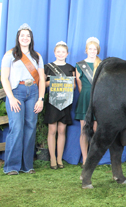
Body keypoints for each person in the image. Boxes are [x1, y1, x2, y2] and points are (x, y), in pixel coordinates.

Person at [1, 23, 46, 175]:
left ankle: (27, 166)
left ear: (31, 38)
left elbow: (41, 78)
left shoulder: (37, 56)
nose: (25, 38)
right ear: (18, 38)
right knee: (17, 128)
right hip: (16, 92)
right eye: (22, 35)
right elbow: (4, 78)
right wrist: (11, 97)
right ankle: (12, 167)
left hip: (33, 92)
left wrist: (41, 99)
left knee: (30, 128)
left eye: (28, 35)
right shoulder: (10, 55)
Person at [44, 41, 76, 169]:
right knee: (52, 130)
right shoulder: (48, 67)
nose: (61, 54)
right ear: (54, 53)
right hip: (52, 102)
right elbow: (43, 84)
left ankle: (59, 158)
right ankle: (52, 158)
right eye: (58, 52)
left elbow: (73, 86)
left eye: (63, 52)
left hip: (65, 101)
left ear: (67, 54)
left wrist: (67, 84)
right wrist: (54, 81)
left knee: (62, 130)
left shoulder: (70, 68)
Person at [75, 37, 101, 167]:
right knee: (84, 130)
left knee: (95, 130)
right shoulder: (80, 65)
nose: (92, 51)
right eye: (90, 49)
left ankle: (92, 157)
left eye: (94, 49)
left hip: (98, 98)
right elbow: (79, 85)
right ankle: (85, 158)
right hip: (85, 97)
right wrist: (86, 94)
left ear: (98, 50)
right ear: (86, 50)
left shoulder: (101, 64)